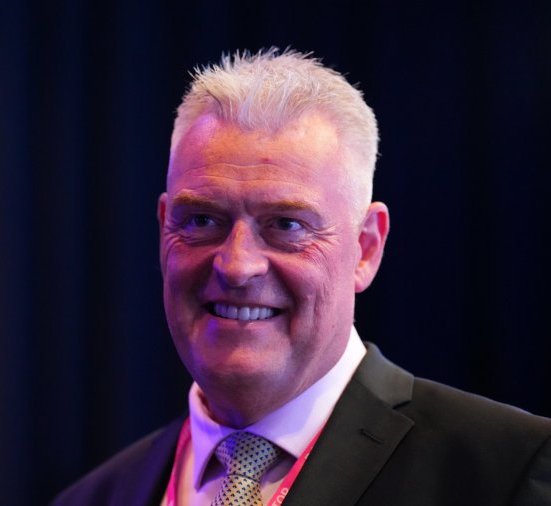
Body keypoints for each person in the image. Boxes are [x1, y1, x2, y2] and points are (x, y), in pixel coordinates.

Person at [52, 49, 551, 505]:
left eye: (286, 225)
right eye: (202, 220)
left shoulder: (508, 472)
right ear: (164, 230)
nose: (237, 265)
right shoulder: (91, 498)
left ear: (366, 248)